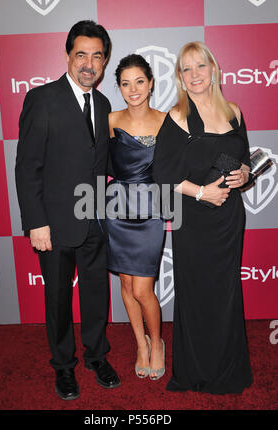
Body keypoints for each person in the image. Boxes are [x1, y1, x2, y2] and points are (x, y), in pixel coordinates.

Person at [15, 20, 120, 401]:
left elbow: (104, 162)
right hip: (54, 224)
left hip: (95, 220)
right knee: (58, 299)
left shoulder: (104, 104)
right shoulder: (42, 99)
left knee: (96, 294)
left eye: (96, 56)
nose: (88, 63)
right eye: (81, 55)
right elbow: (27, 167)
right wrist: (36, 222)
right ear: (67, 56)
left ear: (105, 61)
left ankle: (97, 355)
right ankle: (63, 366)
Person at [152, 41, 253, 394]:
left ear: (214, 69)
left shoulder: (234, 113)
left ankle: (228, 367)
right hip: (194, 220)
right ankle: (196, 370)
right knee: (196, 293)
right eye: (186, 69)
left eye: (200, 66)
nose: (194, 74)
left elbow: (244, 161)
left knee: (226, 292)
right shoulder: (178, 116)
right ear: (180, 77)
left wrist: (244, 175)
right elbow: (162, 173)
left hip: (228, 220)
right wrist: (201, 191)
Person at [106, 54, 166, 380]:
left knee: (143, 289)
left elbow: (181, 164)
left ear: (151, 83)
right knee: (127, 286)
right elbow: (89, 158)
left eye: (139, 81)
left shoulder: (166, 120)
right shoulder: (110, 119)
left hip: (151, 210)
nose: (133, 89)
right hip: (117, 209)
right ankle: (140, 344)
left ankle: (157, 342)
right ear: (118, 87)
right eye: (126, 83)